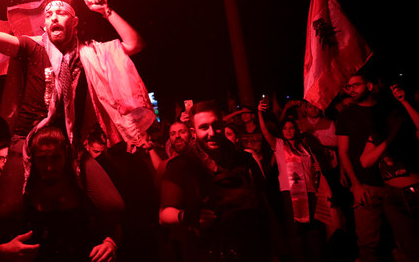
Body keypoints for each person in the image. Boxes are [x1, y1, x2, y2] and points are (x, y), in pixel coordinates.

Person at [0, 0, 154, 246]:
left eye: (60, 13)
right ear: (44, 27)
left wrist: (107, 12)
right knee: (8, 212)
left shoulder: (90, 53)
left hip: (69, 144)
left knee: (114, 206)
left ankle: (99, 243)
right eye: (48, 15)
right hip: (27, 138)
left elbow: (134, 44)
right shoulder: (31, 47)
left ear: (74, 22)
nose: (53, 17)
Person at [0, 126, 118, 262]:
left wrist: (110, 243)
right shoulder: (21, 195)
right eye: (42, 159)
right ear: (33, 159)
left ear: (65, 155)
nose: (49, 167)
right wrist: (3, 252)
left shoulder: (82, 189)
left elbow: (115, 224)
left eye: (55, 158)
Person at [159, 100, 270, 261]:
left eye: (216, 125)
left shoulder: (244, 159)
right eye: (204, 127)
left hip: (249, 248)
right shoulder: (180, 166)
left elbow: (263, 203)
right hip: (208, 251)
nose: (212, 132)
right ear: (193, 131)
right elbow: (164, 215)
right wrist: (189, 216)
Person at [336, 73, 395, 262]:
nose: (351, 90)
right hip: (366, 185)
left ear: (369, 86)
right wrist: (356, 185)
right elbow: (343, 151)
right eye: (348, 87)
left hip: (395, 183)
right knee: (368, 244)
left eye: (355, 85)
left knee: (401, 241)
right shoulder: (347, 115)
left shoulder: (387, 109)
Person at [360, 84, 419, 261]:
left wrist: (406, 103)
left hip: (415, 192)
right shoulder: (377, 136)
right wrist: (387, 141)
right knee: (409, 249)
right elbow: (365, 161)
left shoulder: (409, 130)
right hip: (393, 198)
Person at [258, 99, 323, 261]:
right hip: (290, 194)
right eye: (285, 128)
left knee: (313, 231)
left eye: (291, 127)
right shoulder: (279, 145)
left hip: (310, 192)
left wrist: (317, 169)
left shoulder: (305, 146)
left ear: (296, 129)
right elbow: (265, 132)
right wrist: (258, 112)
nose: (288, 130)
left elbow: (314, 166)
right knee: (295, 231)